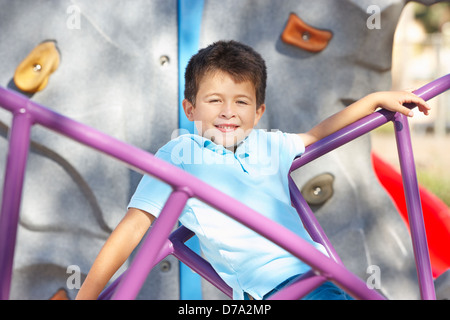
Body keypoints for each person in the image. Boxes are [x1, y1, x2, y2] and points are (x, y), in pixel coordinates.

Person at [75, 40, 430, 300]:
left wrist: (374, 100)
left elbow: (318, 133)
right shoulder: (180, 153)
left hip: (319, 276)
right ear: (190, 108)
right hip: (268, 291)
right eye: (215, 100)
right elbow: (135, 224)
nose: (228, 112)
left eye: (241, 102)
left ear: (258, 112)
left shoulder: (268, 145)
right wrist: (87, 296)